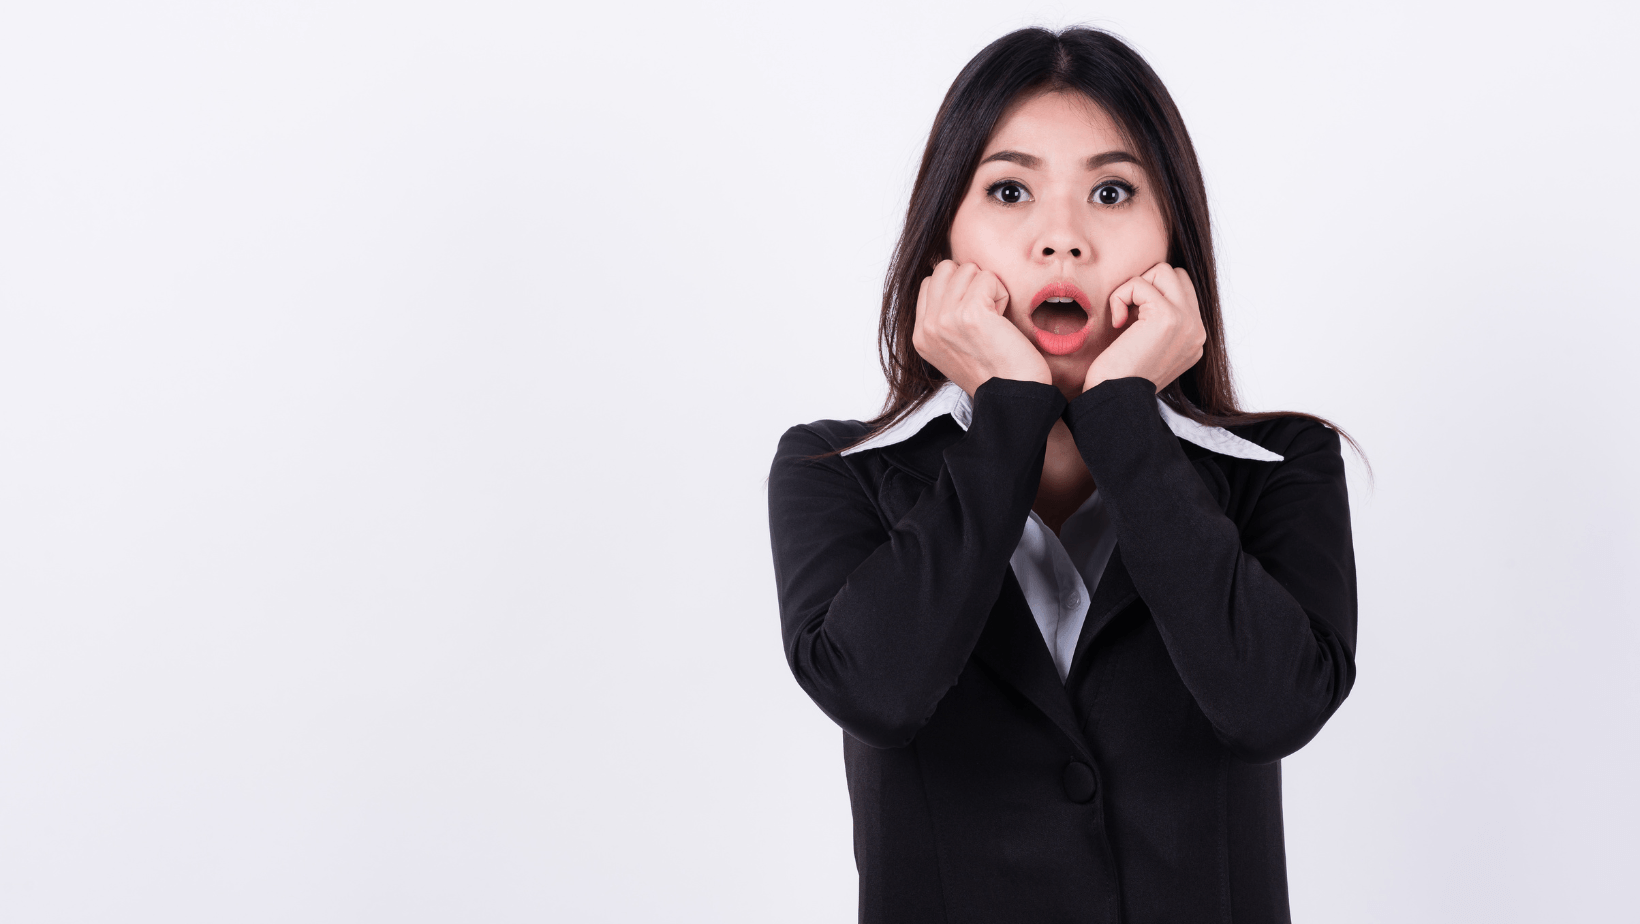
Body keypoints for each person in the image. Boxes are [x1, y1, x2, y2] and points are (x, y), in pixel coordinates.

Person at [766, 26, 1358, 924]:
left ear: (1173, 244)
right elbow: (877, 693)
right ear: (944, 238)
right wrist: (1009, 409)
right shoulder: (837, 472)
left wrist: (1123, 417)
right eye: (1010, 191)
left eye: (1111, 192)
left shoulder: (1282, 468)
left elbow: (1274, 709)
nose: (1062, 241)